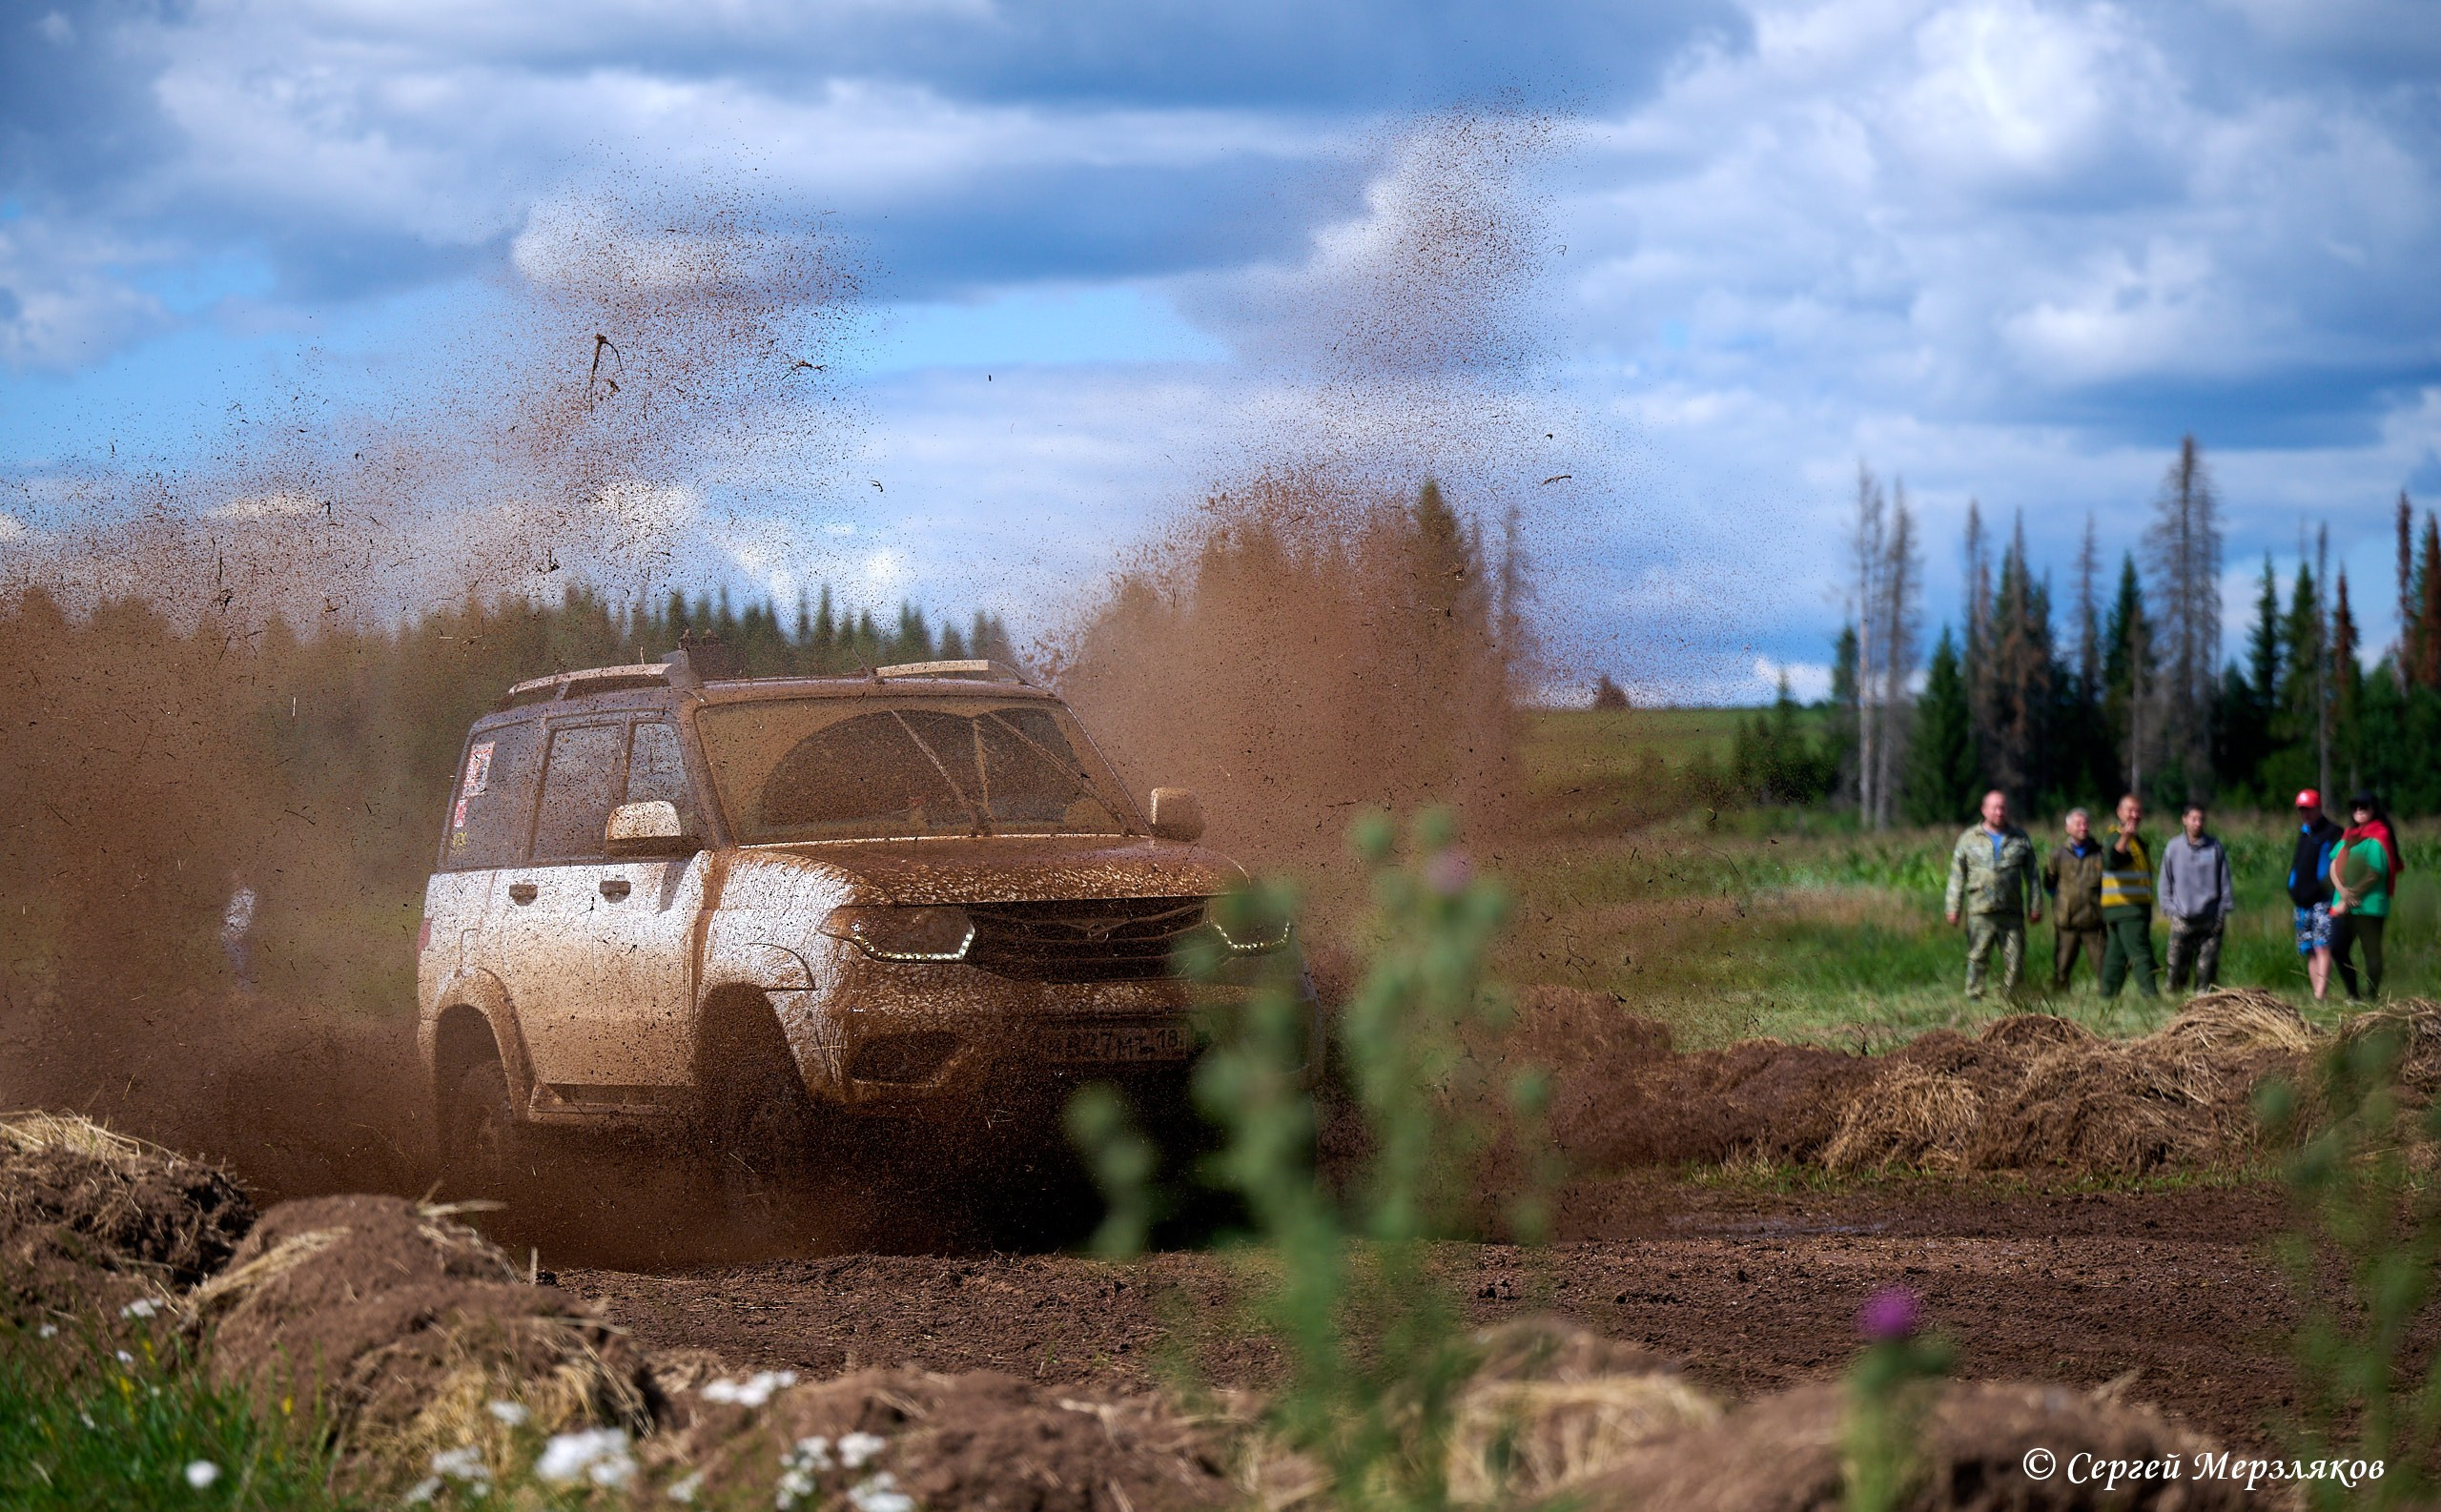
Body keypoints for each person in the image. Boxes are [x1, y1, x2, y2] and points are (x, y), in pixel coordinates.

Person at [1944, 789, 2041, 999]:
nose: (1999, 812)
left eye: (2003, 807)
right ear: (1984, 810)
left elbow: (2033, 875)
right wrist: (1953, 908)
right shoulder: (1968, 839)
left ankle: (2012, 998)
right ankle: (1974, 995)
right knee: (1977, 955)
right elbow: (1956, 876)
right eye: (1994, 807)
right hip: (1980, 910)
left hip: (2012, 910)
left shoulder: (2019, 838)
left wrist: (2035, 906)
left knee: (2015, 957)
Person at [2159, 802, 2235, 993]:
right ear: (2184, 820)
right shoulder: (2173, 847)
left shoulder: (2214, 847)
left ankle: (2203, 998)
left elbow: (2224, 880)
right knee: (2176, 963)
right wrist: (2170, 909)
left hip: (2210, 917)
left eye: (2201, 819)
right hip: (2182, 917)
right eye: (2193, 818)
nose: (2197, 823)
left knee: (2207, 966)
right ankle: (2173, 996)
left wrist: (2223, 910)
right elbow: (2165, 882)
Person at [2330, 793, 2400, 1001]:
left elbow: (2375, 871)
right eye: (2355, 807)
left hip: (2370, 905)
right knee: (2337, 947)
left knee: (2371, 952)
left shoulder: (2380, 835)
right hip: (2344, 904)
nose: (2359, 810)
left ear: (2374, 809)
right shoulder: (2349, 835)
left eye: (2364, 806)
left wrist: (2353, 893)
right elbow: (2333, 863)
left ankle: (2372, 996)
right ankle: (2353, 993)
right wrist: (2342, 892)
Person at [2099, 793, 2159, 1001]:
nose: (2134, 815)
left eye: (2138, 811)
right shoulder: (2117, 838)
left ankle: (2106, 995)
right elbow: (2111, 861)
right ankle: (2151, 996)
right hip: (2128, 908)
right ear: (2119, 812)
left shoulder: (2138, 842)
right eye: (2130, 810)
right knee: (2141, 954)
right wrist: (2125, 837)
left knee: (2116, 956)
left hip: (2125, 909)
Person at [2287, 789, 2344, 1000]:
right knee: (2309, 947)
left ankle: (2321, 993)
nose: (2305, 814)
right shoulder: (2304, 832)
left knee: (2323, 945)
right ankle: (2316, 993)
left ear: (2318, 808)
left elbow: (2336, 866)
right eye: (2302, 810)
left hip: (2322, 900)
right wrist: (2291, 886)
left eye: (2309, 809)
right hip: (2302, 902)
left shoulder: (2332, 832)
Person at [2041, 807, 2107, 990]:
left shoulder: (2100, 853)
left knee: (2103, 964)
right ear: (2067, 828)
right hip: (2066, 921)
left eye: (2086, 824)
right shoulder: (2057, 855)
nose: (2083, 828)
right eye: (2078, 824)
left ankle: (2108, 997)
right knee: (2062, 965)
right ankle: (2060, 996)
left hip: (2093, 919)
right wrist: (2062, 902)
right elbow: (2049, 883)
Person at [222, 869, 258, 995]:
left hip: (238, 937)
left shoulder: (247, 895)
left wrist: (239, 934)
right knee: (233, 966)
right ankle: (238, 992)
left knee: (242, 965)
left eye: (235, 878)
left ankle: (247, 993)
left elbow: (248, 915)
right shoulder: (233, 894)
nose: (233, 881)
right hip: (228, 936)